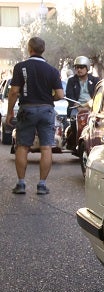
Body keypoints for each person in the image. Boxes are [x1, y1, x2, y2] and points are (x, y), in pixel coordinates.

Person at [6, 37, 65, 195]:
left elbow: (13, 92)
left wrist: (10, 111)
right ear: (42, 50)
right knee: (46, 147)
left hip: (27, 110)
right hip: (46, 111)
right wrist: (48, 98)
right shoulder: (52, 71)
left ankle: (21, 184)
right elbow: (60, 94)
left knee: (22, 146)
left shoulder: (21, 67)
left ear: (29, 49)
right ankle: (42, 185)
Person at [64, 55, 99, 153]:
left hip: (92, 108)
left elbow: (99, 95)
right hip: (76, 107)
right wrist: (78, 107)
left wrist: (90, 105)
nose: (79, 70)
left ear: (87, 68)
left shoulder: (95, 80)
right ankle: (75, 144)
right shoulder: (72, 81)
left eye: (81, 67)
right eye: (76, 67)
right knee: (74, 120)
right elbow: (70, 96)